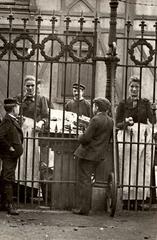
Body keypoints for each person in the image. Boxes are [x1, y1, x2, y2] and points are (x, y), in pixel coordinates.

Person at [116, 75, 156, 210]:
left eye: (137, 87)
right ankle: (126, 199)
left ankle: (138, 200)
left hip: (143, 140)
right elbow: (116, 124)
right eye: (132, 87)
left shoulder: (145, 103)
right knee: (127, 167)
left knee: (141, 167)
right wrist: (126, 123)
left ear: (140, 89)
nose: (134, 89)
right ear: (128, 88)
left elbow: (152, 120)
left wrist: (153, 110)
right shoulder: (122, 104)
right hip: (128, 139)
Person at [72, 97, 113, 215]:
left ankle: (83, 209)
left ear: (98, 107)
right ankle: (85, 207)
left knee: (84, 181)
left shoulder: (95, 120)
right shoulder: (110, 121)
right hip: (99, 156)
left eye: (94, 106)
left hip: (87, 154)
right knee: (88, 180)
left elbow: (86, 138)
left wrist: (79, 136)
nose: (93, 108)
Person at [16, 75, 49, 202]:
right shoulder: (19, 98)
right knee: (21, 161)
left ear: (35, 87)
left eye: (32, 86)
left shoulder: (41, 99)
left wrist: (41, 122)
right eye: (28, 85)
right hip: (20, 132)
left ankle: (30, 192)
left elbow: (46, 116)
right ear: (24, 86)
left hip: (34, 133)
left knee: (32, 161)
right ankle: (18, 191)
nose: (30, 88)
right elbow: (15, 112)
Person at [0, 98, 23, 215]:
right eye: (18, 107)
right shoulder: (7, 120)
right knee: (8, 178)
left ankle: (3, 203)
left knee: (5, 176)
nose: (19, 109)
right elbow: (0, 137)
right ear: (14, 108)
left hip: (12, 156)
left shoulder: (12, 119)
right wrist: (10, 147)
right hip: (9, 155)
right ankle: (9, 205)